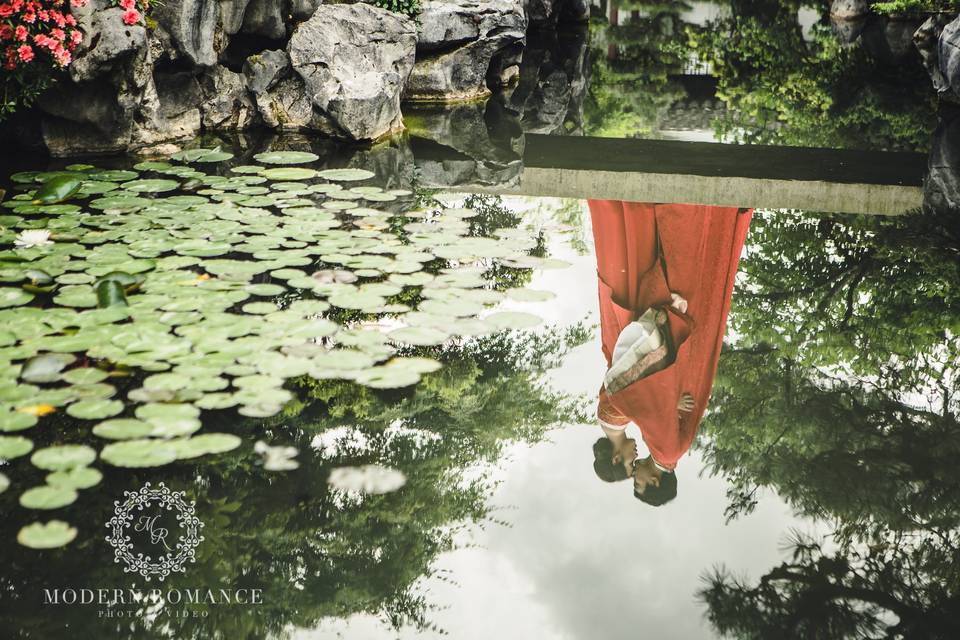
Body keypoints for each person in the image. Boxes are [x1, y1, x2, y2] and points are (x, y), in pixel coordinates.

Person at [588, 200, 752, 506]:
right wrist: (666, 401)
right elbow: (652, 411)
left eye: (628, 473)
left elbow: (650, 410)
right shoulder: (665, 452)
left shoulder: (662, 447)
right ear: (654, 482)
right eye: (637, 483)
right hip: (651, 353)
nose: (634, 472)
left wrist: (667, 402)